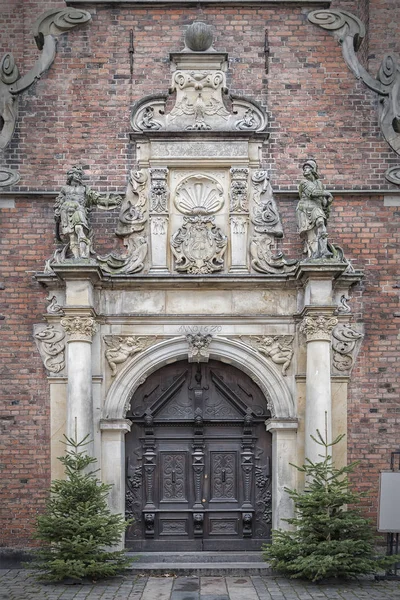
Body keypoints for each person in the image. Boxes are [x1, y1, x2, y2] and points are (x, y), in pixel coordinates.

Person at [296, 159, 333, 259]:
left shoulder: (319, 184)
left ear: (313, 170)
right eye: (304, 168)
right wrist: (327, 194)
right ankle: (314, 254)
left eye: (307, 168)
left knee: (321, 222)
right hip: (305, 209)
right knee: (311, 235)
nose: (305, 170)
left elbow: (322, 201)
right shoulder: (303, 183)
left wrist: (327, 202)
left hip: (316, 208)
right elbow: (312, 193)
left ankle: (324, 250)